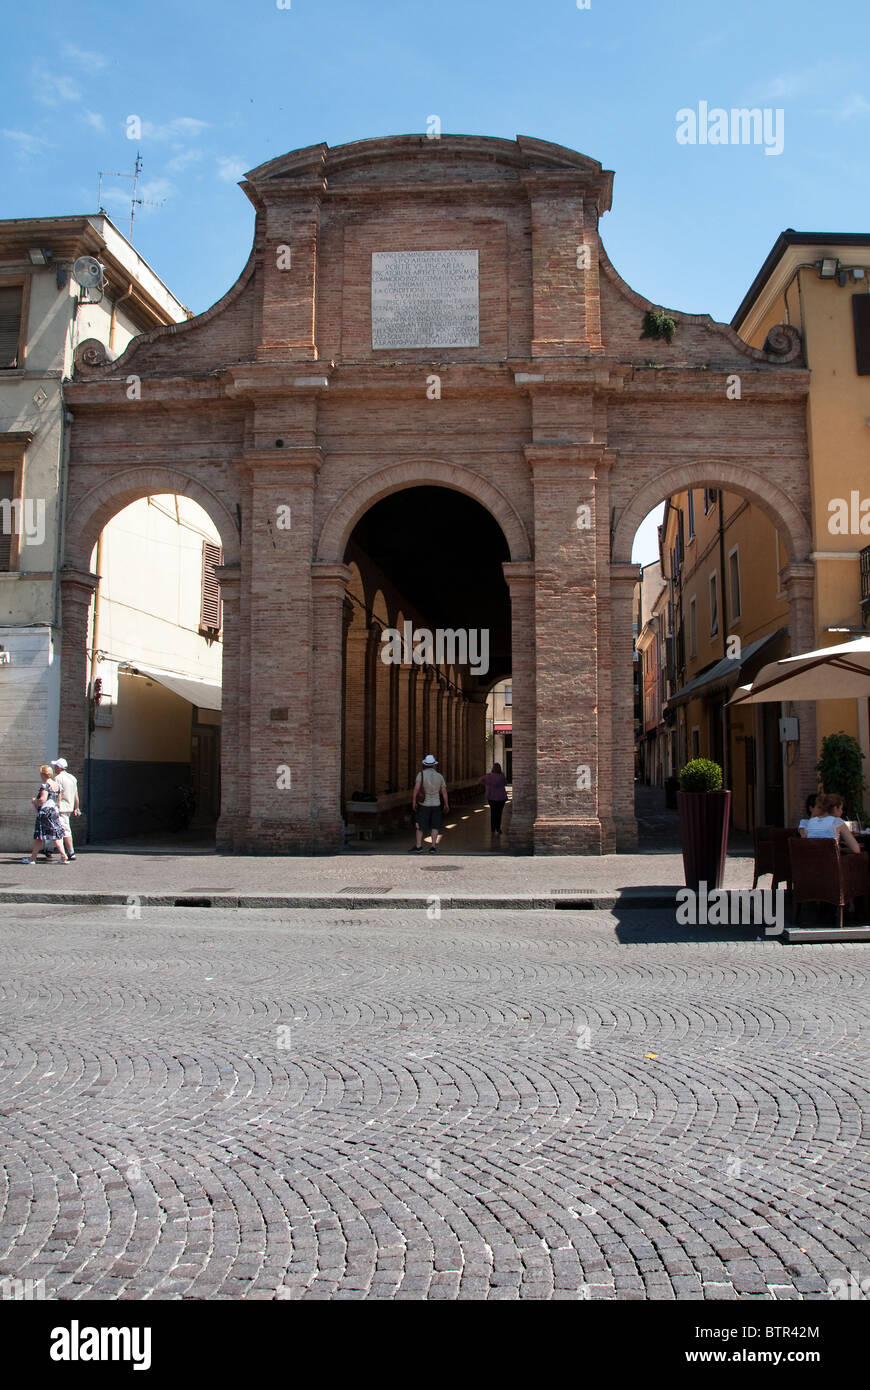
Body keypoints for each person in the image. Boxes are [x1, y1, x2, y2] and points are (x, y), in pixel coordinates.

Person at [21, 765, 68, 864]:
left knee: (39, 836)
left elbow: (42, 800)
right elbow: (58, 802)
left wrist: (35, 801)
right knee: (56, 835)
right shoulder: (58, 786)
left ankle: (32, 859)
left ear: (43, 774)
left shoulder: (45, 786)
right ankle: (64, 856)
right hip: (54, 811)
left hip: (45, 812)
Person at [410, 754, 449, 854]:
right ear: (434, 765)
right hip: (436, 804)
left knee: (420, 826)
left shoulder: (421, 774)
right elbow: (444, 791)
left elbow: (416, 789)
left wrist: (414, 801)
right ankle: (433, 847)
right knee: (435, 826)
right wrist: (446, 804)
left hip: (424, 804)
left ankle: (418, 846)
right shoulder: (439, 776)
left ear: (425, 764)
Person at [52, 757, 81, 861]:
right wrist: (76, 807)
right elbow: (75, 795)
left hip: (61, 808)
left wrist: (56, 805)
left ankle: (70, 852)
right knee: (64, 829)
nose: (54, 768)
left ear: (59, 767)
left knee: (64, 831)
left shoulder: (58, 778)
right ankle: (66, 851)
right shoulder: (72, 778)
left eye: (55, 766)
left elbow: (57, 794)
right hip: (69, 807)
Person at [479, 762, 508, 835]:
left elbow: (480, 780)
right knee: (499, 813)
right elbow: (505, 783)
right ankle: (498, 828)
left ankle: (492, 828)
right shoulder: (502, 776)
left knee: (493, 813)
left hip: (491, 797)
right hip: (501, 797)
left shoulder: (488, 776)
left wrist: (486, 785)